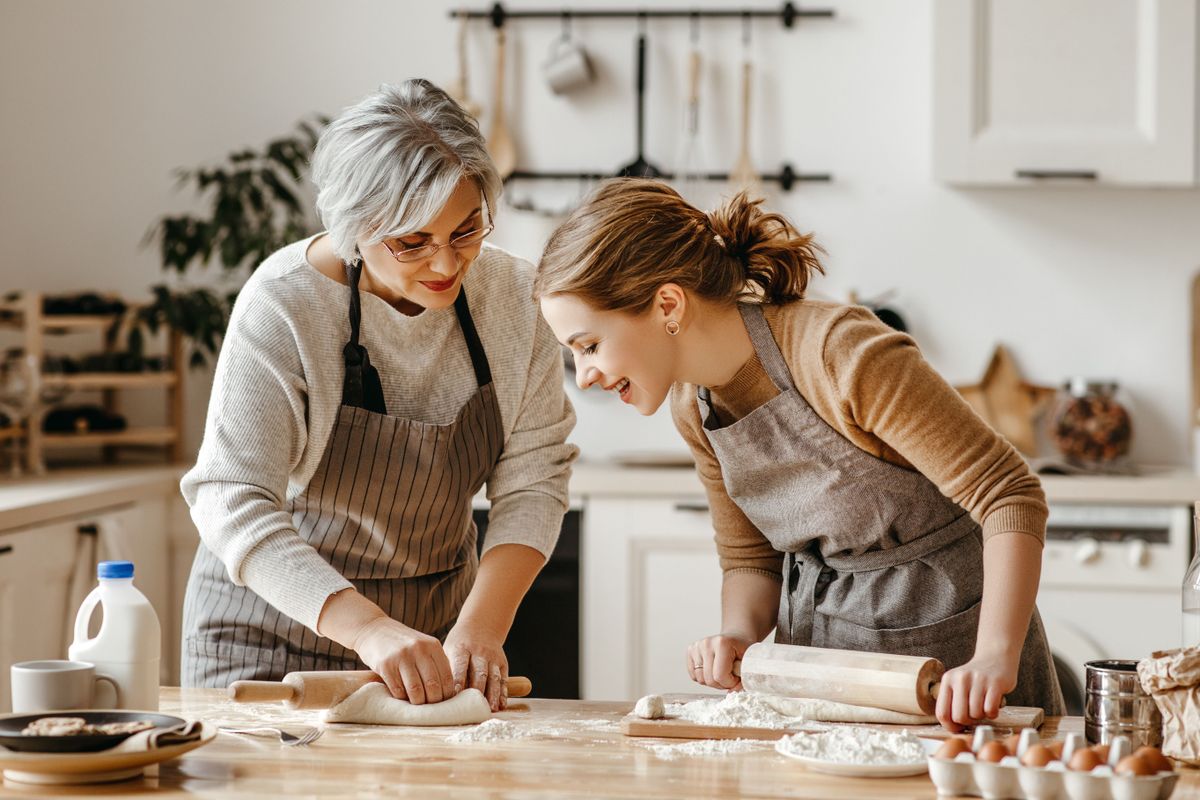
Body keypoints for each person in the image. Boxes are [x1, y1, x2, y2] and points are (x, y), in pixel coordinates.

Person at [534, 178, 1063, 730]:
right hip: (820, 667)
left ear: (668, 304)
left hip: (953, 664)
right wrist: (737, 636)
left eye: (589, 345)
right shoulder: (693, 405)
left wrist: (993, 658)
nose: (586, 375)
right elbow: (749, 556)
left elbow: (1009, 494)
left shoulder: (841, 354)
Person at [180, 80, 577, 711]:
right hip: (270, 642)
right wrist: (366, 629)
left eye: (467, 229)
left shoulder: (514, 299)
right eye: (412, 242)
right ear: (350, 229)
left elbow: (533, 480)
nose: (447, 263)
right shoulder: (285, 304)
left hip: (431, 644)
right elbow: (234, 497)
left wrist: (481, 627)